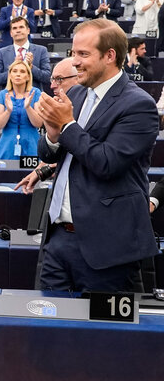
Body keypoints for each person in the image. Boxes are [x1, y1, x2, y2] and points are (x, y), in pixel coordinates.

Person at [36, 19, 159, 292]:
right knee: (47, 332)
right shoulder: (77, 94)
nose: (75, 62)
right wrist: (53, 134)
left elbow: (106, 163)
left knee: (104, 335)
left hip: (107, 248)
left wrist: (67, 126)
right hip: (57, 242)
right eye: (73, 53)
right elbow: (49, 154)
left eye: (83, 54)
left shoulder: (139, 105)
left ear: (110, 56)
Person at [14, 58, 79, 194]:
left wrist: (42, 171)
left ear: (78, 78)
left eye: (59, 80)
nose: (52, 86)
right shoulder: (59, 107)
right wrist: (39, 171)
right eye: (52, 80)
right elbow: (57, 152)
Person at [0, 59, 42, 160]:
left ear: (28, 76)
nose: (18, 74)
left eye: (22, 71)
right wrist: (8, 111)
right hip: (7, 145)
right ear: (10, 75)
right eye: (14, 71)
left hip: (31, 144)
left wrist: (28, 107)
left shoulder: (35, 93)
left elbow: (38, 123)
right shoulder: (3, 94)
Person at [0, 16, 51, 90]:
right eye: (15, 28)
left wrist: (31, 67)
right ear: (11, 33)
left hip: (34, 98)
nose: (18, 30)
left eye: (21, 27)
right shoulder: (2, 52)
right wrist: (13, 68)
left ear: (28, 30)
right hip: (9, 98)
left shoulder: (41, 50)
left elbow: (47, 78)